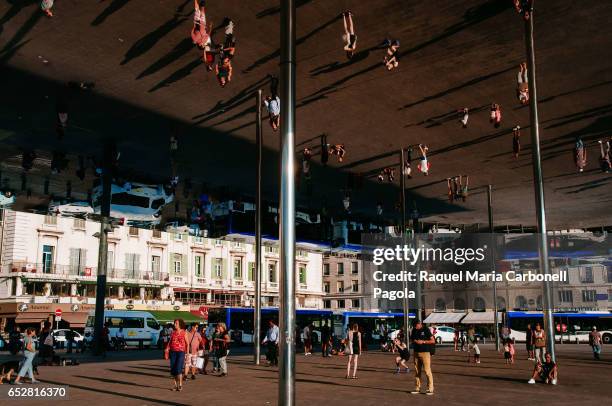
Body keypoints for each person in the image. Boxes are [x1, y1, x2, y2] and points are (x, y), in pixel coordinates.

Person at [410, 320, 435, 395]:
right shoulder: (414, 330)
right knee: (417, 371)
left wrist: (423, 342)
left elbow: (433, 341)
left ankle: (430, 388)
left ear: (419, 324)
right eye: (414, 326)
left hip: (425, 353)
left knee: (427, 371)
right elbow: (412, 339)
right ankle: (417, 388)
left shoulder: (426, 329)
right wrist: (415, 341)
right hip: (416, 352)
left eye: (416, 325)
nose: (415, 327)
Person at [165, 319, 189, 391]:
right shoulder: (173, 332)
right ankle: (175, 385)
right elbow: (170, 342)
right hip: (173, 352)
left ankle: (180, 384)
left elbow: (187, 344)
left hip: (181, 352)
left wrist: (187, 355)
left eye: (176, 323)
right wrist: (167, 348)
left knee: (178, 369)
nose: (175, 324)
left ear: (180, 324)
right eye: (174, 323)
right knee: (173, 369)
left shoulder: (184, 332)